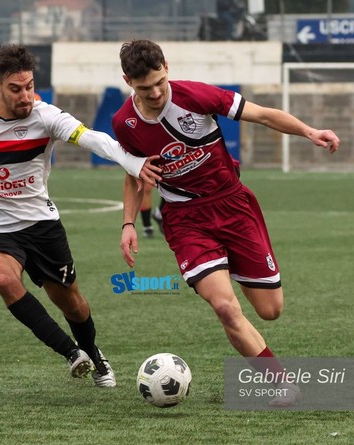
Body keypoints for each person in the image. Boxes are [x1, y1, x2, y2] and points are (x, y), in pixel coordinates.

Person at [0, 44, 161, 388]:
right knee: (4, 279)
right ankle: (71, 353)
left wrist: (134, 162)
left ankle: (93, 352)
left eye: (30, 86)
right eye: (16, 89)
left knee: (73, 304)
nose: (25, 96)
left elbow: (94, 140)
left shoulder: (46, 116)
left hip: (41, 226)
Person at [113, 39, 340, 406]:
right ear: (128, 81)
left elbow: (264, 115)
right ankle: (281, 383)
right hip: (186, 219)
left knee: (270, 311)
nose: (155, 93)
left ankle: (226, 263)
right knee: (225, 307)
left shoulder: (197, 96)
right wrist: (128, 223)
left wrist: (310, 132)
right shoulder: (124, 123)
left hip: (233, 206)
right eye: (144, 88)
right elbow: (133, 174)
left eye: (159, 82)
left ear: (166, 67)